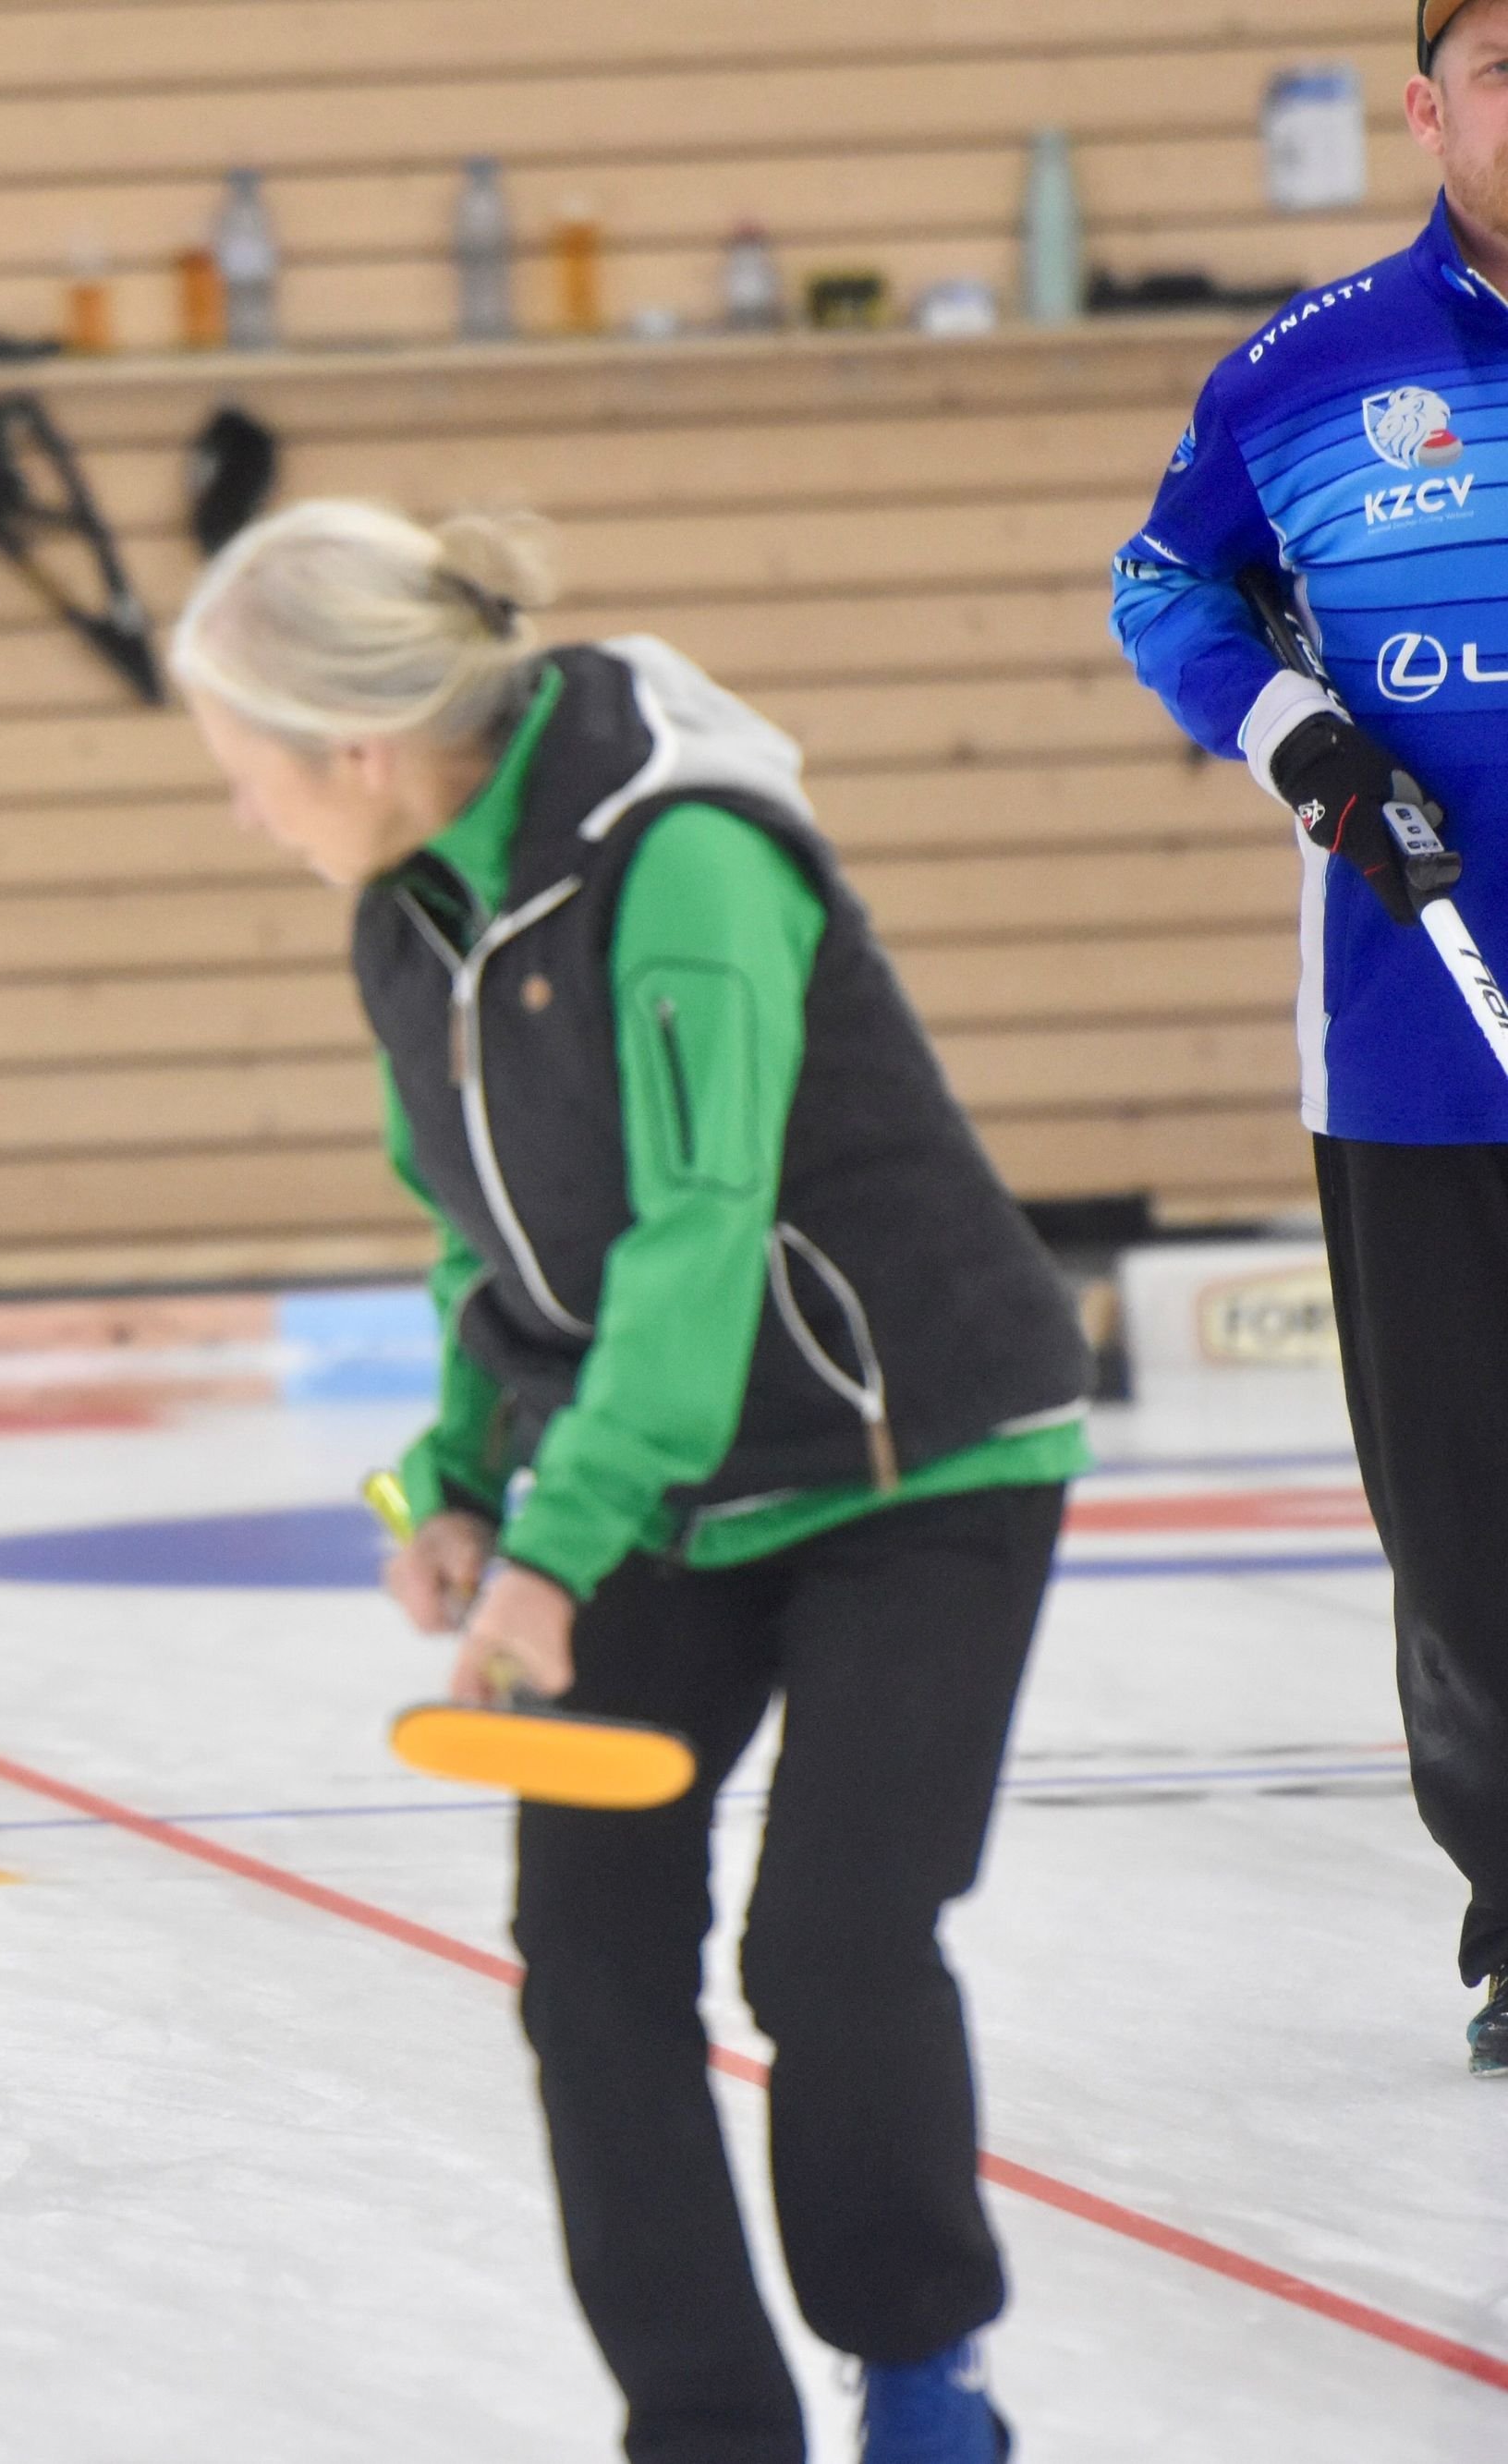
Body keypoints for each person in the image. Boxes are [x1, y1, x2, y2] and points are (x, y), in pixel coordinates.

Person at [173, 502, 1089, 2464]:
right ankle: (701, 2426)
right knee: (587, 1957)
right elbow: (472, 1239)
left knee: (830, 1938)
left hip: (910, 1451)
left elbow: (693, 1240)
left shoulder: (680, 855)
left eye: (237, 769)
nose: (239, 813)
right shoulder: (402, 911)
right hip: (664, 1475)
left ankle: (922, 2371)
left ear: (348, 742)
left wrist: (550, 1551)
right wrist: (456, 1488)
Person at [1111, 0, 1508, 2082]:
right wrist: (1295, 734)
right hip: (1419, 1045)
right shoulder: (1295, 377)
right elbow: (1163, 584)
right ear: (1428, 107)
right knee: (1461, 1520)